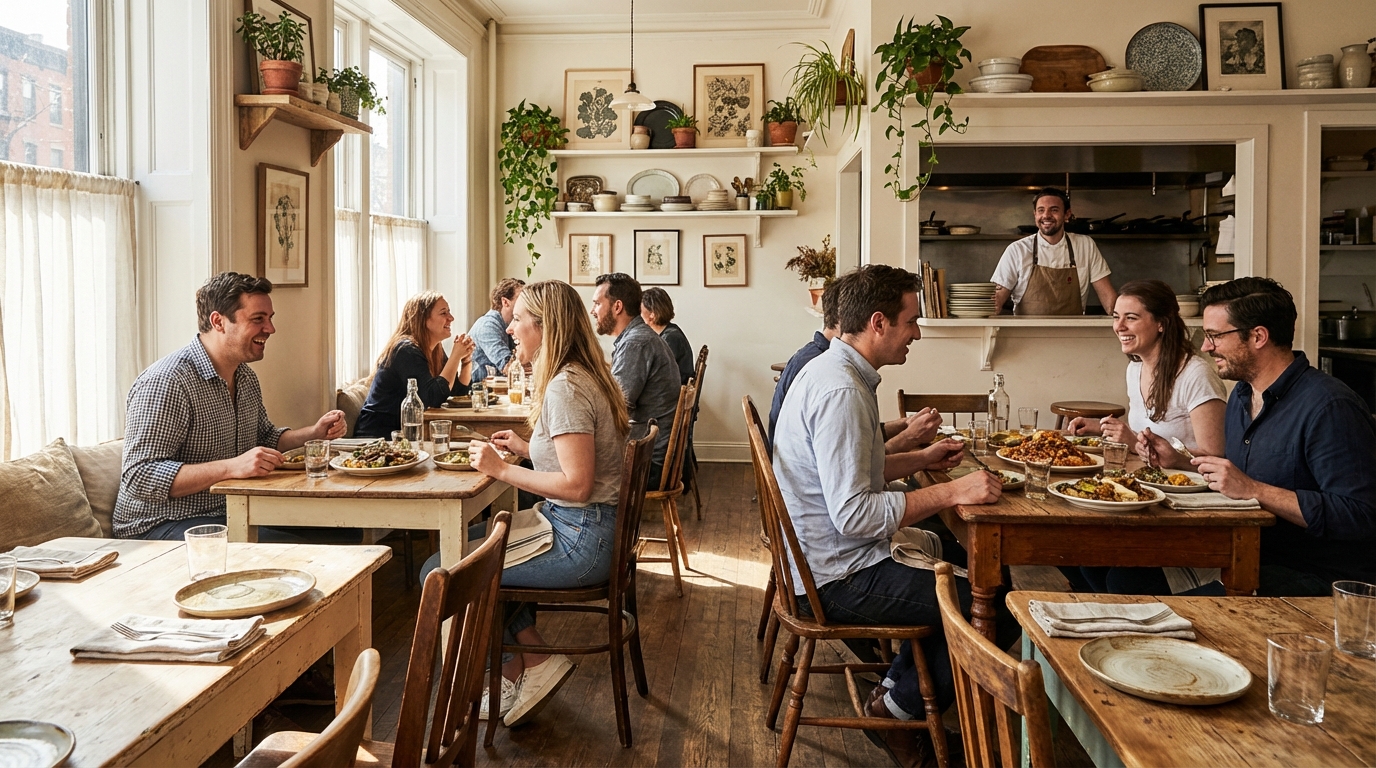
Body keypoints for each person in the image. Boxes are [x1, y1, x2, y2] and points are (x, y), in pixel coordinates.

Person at [772, 264, 1016, 767]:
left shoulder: (834, 371)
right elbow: (856, 515)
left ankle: (894, 690)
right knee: (993, 606)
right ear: (879, 322)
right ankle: (899, 713)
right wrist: (952, 492)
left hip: (820, 560)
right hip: (833, 577)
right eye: (911, 321)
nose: (917, 333)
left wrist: (922, 461)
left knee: (979, 566)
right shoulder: (840, 390)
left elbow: (854, 469)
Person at [1135, 277, 1376, 595]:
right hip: (1243, 554)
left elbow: (1360, 515)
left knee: (1145, 598)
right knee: (1122, 575)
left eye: (1215, 336)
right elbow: (1238, 475)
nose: (1206, 347)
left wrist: (1254, 489)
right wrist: (1181, 460)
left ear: (1259, 336)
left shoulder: (1330, 406)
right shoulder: (1242, 396)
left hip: (1314, 578)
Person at [465, 280, 631, 727]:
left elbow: (578, 486)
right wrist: (525, 448)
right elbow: (576, 461)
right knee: (476, 554)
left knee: (451, 569)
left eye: (519, 319)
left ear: (544, 327)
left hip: (581, 539)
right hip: (588, 529)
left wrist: (500, 470)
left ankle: (511, 674)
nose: (511, 328)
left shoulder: (565, 387)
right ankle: (532, 661)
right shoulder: (580, 375)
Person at [114, 272, 349, 540]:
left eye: (270, 318)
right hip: (159, 525)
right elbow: (139, 476)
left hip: (232, 510)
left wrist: (314, 433)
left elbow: (266, 438)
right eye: (258, 319)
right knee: (306, 549)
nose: (270, 329)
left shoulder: (244, 376)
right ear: (219, 322)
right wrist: (232, 467)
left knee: (343, 531)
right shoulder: (167, 382)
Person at [1065, 279, 1227, 594]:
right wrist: (1102, 428)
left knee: (1113, 573)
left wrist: (1172, 456)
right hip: (1146, 500)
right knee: (1078, 555)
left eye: (1131, 317)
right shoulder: (1135, 369)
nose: (1119, 326)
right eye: (1116, 316)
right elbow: (1146, 437)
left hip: (1187, 511)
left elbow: (1217, 459)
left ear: (1161, 324)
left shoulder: (1196, 375)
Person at [767, 284, 943, 456]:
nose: (917, 334)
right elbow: (855, 473)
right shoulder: (839, 385)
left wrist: (905, 426)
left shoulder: (823, 361)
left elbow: (853, 440)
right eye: (911, 321)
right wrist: (909, 438)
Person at [591, 272, 679, 485]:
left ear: (617, 307)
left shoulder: (635, 343)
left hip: (648, 461)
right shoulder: (638, 338)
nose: (593, 311)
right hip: (653, 451)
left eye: (597, 304)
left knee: (565, 463)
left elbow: (617, 406)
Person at [355, 292, 476, 438]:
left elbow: (455, 394)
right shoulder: (405, 350)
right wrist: (455, 356)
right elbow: (432, 398)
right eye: (444, 313)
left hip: (406, 436)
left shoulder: (435, 349)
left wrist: (466, 361)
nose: (451, 318)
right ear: (423, 319)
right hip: (378, 437)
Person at [990, 187, 1118, 316]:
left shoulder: (1085, 245)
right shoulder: (1017, 250)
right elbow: (997, 298)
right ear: (1035, 214)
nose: (1046, 215)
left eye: (1054, 210)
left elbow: (1108, 298)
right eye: (1041, 210)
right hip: (1026, 334)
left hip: (1073, 333)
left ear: (1067, 214)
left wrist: (1123, 319)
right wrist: (992, 306)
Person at [471, 277, 525, 376]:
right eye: (521, 299)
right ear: (505, 302)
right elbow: (509, 368)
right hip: (480, 390)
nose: (525, 303)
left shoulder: (508, 325)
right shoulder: (487, 326)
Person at [640, 287, 694, 384]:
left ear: (652, 314)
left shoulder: (670, 338)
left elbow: (657, 373)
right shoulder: (670, 331)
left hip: (671, 394)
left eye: (640, 310)